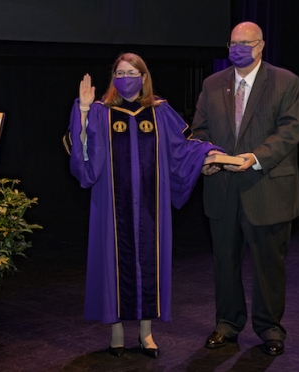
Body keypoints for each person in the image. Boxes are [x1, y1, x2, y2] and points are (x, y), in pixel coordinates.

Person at [67, 53, 220, 358]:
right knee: (114, 262)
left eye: (132, 71)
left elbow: (183, 147)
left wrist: (211, 153)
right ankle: (117, 334)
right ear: (113, 77)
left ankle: (147, 334)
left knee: (150, 262)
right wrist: (83, 109)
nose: (126, 77)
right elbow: (83, 150)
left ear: (144, 76)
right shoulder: (100, 111)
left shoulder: (160, 111)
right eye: (120, 72)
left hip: (152, 204)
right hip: (112, 205)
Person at [192, 21, 299, 356]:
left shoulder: (286, 82)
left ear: (261, 45)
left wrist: (254, 157)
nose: (237, 48)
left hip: (267, 187)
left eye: (245, 43)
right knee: (224, 262)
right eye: (232, 43)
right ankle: (227, 323)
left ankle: (270, 328)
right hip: (222, 189)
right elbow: (199, 129)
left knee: (269, 265)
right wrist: (206, 156)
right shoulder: (213, 84)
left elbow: (289, 130)